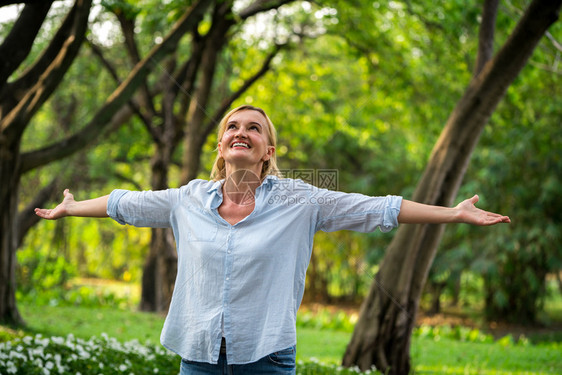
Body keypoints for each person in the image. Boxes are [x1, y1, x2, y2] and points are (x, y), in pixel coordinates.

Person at [35, 105, 510, 374]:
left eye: (254, 128)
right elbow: (126, 203)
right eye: (232, 127)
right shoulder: (188, 199)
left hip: (265, 356)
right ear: (221, 147)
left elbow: (378, 209)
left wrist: (453, 213)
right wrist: (74, 207)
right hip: (197, 356)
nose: (242, 132)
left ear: (267, 152)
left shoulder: (300, 200)